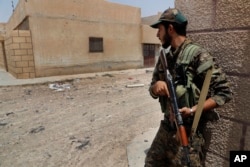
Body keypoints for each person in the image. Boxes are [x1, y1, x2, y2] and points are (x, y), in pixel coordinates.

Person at [145, 8, 232, 167]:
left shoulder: (197, 55)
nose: (157, 34)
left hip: (188, 131)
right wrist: (155, 87)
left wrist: (192, 110)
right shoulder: (165, 57)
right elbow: (152, 89)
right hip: (166, 128)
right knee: (151, 162)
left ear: (170, 29)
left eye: (160, 29)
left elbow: (224, 93)